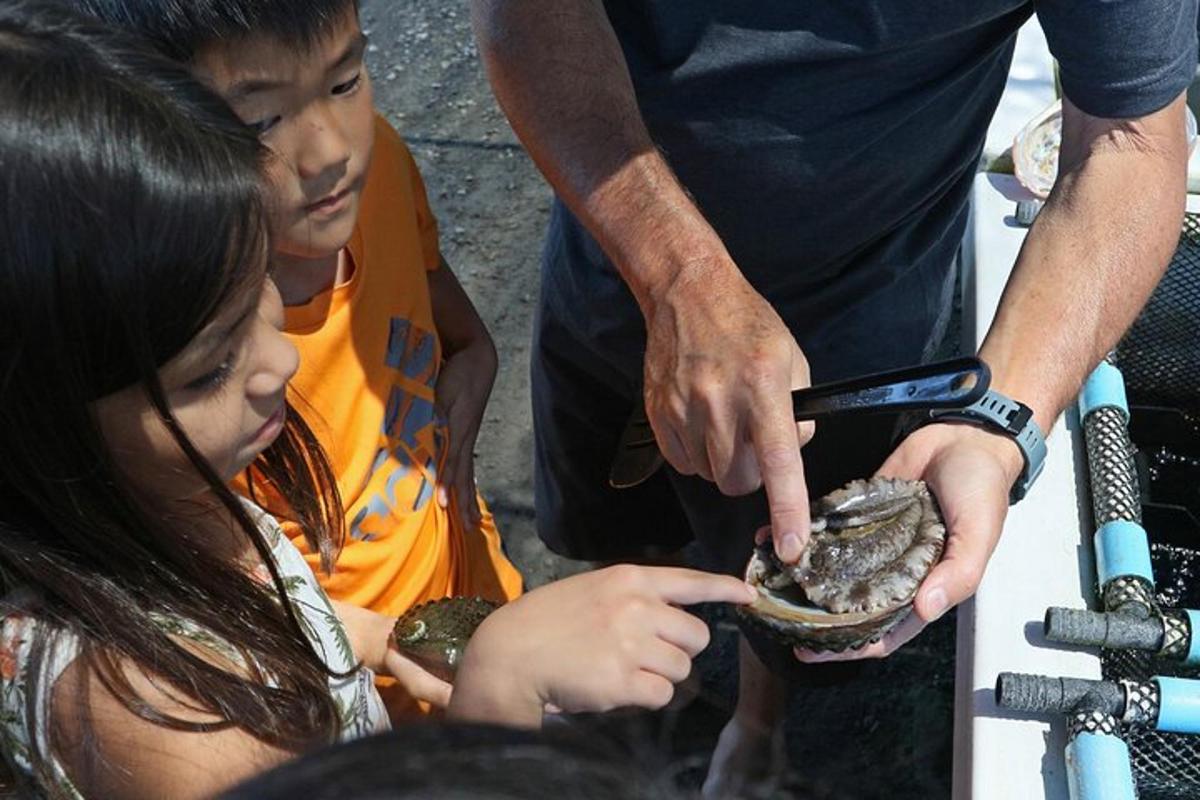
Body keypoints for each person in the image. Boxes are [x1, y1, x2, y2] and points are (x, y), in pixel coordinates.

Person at [0, 4, 756, 797]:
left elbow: (277, 594)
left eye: (258, 295)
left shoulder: (162, 502)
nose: (283, 362)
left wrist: (371, 636)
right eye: (208, 370)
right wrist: (495, 700)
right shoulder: (162, 733)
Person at [470, 0, 1198, 792]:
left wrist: (998, 422)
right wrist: (674, 274)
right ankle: (647, 695)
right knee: (621, 519)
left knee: (791, 563)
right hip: (611, 262)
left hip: (861, 321)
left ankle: (756, 724)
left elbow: (1128, 140)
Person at [66, 0, 524, 717]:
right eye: (260, 121)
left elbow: (438, 302)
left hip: (470, 575)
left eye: (344, 81)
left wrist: (476, 354)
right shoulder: (181, 362)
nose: (329, 150)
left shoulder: (384, 167)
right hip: (365, 692)